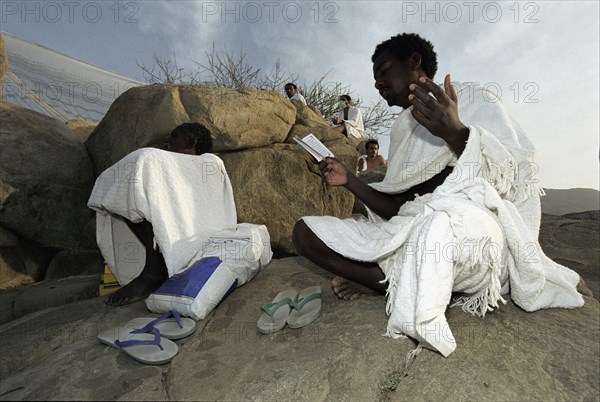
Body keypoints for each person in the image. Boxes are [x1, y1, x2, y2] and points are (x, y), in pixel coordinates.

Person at [292, 33, 583, 356]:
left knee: (439, 228)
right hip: (411, 230)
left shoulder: (473, 98)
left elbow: (511, 179)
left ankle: (399, 286)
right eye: (375, 78)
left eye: (384, 71)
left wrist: (453, 131)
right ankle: (396, 280)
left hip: (473, 227)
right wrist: (349, 180)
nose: (377, 84)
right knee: (306, 233)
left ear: (414, 62)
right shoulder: (401, 128)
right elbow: (398, 207)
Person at [89, 123, 237, 306]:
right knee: (133, 190)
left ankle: (154, 271)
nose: (168, 140)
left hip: (201, 241)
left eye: (175, 136)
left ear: (192, 142)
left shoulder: (208, 164)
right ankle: (157, 267)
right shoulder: (165, 166)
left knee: (144, 160)